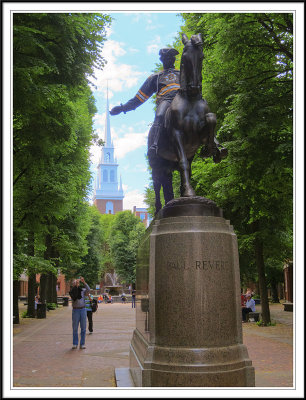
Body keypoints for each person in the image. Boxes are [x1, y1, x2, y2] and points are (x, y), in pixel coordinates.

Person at [110, 48, 180, 158]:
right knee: (160, 115)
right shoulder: (155, 77)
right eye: (167, 57)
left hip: (182, 100)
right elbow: (139, 98)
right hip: (166, 101)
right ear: (162, 60)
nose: (170, 60)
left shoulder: (182, 74)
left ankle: (211, 141)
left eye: (172, 57)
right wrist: (122, 108)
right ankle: (155, 144)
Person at [69, 276, 90, 349]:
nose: (77, 283)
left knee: (83, 328)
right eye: (75, 282)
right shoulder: (72, 291)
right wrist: (75, 285)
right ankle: (75, 343)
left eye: (77, 282)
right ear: (73, 284)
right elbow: (73, 295)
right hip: (75, 310)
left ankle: (82, 344)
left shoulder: (82, 290)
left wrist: (84, 282)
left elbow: (88, 290)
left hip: (83, 310)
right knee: (75, 328)